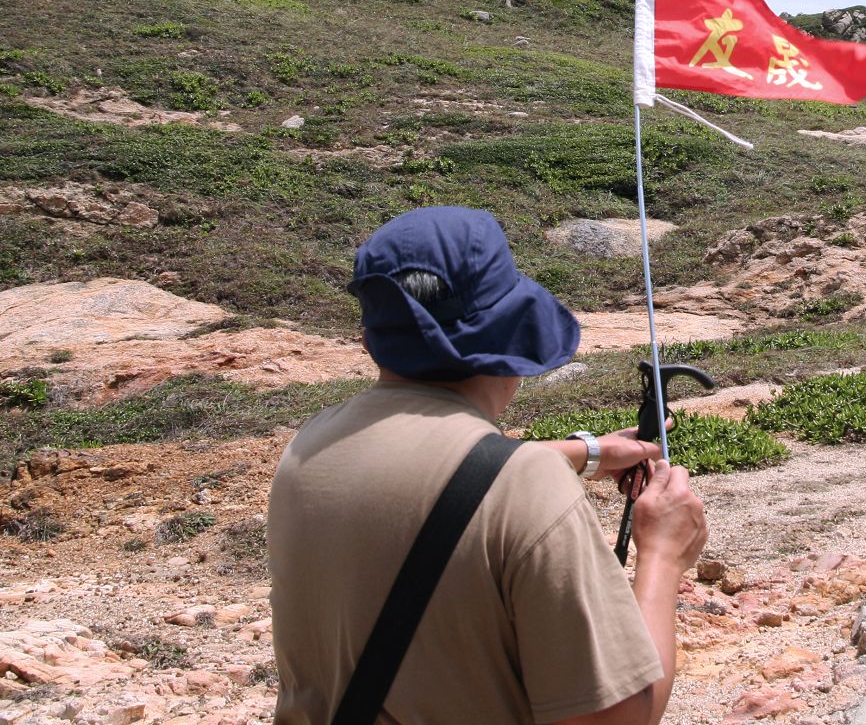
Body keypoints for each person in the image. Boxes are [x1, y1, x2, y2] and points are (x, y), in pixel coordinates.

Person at [270, 207, 708, 725]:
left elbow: (433, 479)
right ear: (510, 336)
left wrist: (587, 452)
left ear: (370, 340)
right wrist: (662, 555)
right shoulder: (524, 487)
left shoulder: (310, 445)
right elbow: (619, 718)